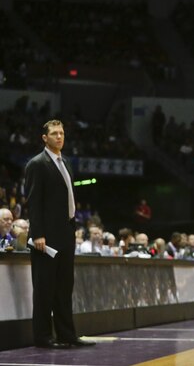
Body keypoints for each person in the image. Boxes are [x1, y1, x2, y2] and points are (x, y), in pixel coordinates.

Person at [24, 120, 96, 349]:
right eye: (54, 133)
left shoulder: (65, 162)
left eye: (62, 133)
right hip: (45, 237)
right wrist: (37, 234)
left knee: (64, 287)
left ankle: (67, 334)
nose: (59, 137)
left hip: (66, 233)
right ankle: (43, 337)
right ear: (44, 137)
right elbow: (33, 202)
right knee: (44, 287)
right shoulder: (37, 164)